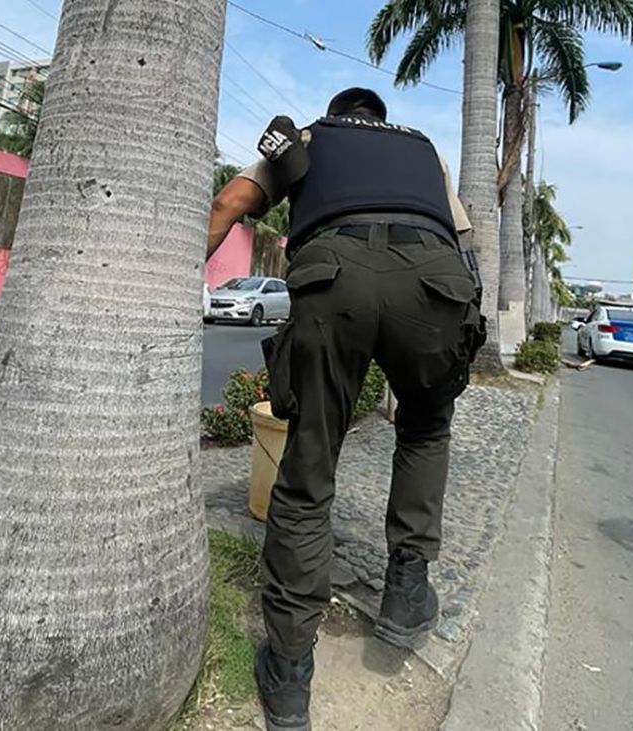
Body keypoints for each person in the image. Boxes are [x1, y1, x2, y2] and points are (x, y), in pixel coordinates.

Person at [206, 88, 484, 731]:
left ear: (337, 113)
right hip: (436, 283)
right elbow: (461, 239)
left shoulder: (307, 137)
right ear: (382, 121)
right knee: (424, 427)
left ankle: (289, 674)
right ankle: (407, 589)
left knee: (309, 469)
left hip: (335, 277)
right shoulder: (424, 150)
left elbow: (230, 204)